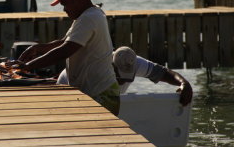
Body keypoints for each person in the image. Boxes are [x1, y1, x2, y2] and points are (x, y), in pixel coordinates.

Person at [16, 0, 120, 116]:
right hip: (98, 91)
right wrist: (38, 49)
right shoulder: (87, 15)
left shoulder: (89, 18)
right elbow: (63, 42)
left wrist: (28, 66)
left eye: (65, 4)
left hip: (102, 94)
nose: (64, 9)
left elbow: (65, 50)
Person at [57, 46, 193, 107]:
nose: (122, 82)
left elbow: (164, 73)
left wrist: (184, 83)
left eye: (127, 78)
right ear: (111, 66)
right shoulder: (96, 68)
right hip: (67, 87)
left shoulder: (135, 62)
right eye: (119, 77)